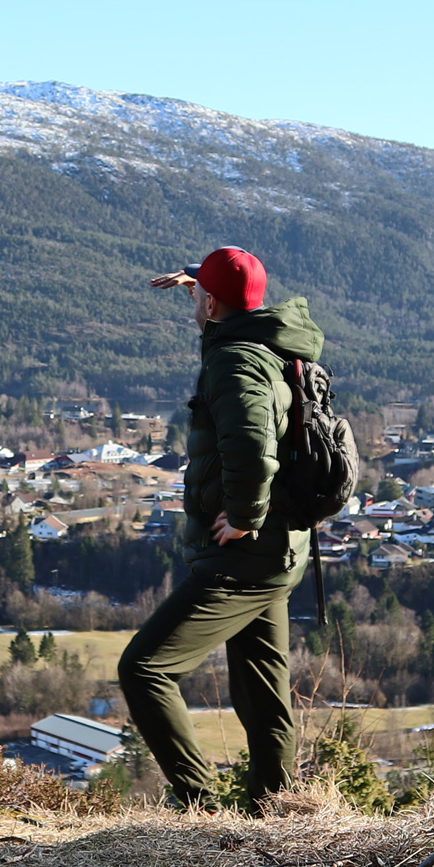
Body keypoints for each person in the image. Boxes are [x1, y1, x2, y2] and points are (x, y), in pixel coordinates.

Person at [118, 246, 324, 815]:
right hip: (281, 549)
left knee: (145, 669)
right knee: (263, 696)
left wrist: (242, 516)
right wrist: (207, 292)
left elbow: (252, 448)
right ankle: (272, 814)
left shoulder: (235, 360)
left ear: (211, 302)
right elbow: (234, 335)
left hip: (245, 555)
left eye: (202, 293)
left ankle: (199, 808)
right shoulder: (268, 342)